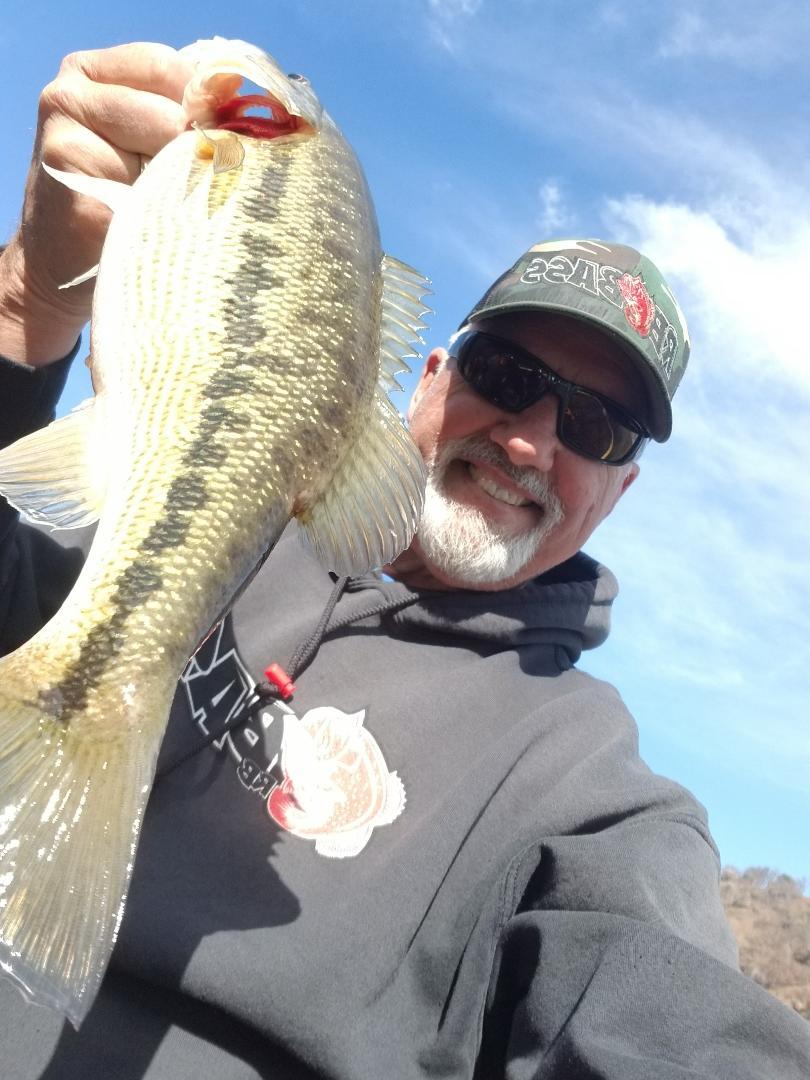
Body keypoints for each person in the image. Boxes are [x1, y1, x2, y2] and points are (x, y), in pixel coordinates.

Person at [0, 42, 808, 1080]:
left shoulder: (592, 791)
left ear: (621, 492)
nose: (529, 441)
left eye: (600, 429)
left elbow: (672, 1026)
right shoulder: (202, 529)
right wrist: (26, 311)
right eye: (507, 372)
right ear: (427, 379)